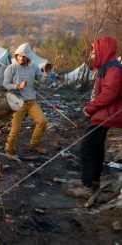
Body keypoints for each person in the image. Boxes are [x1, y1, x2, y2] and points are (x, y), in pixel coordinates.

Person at [66, 37, 122, 199]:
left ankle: (87, 186)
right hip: (104, 114)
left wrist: (91, 108)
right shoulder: (107, 67)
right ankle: (94, 181)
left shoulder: (113, 69)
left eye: (94, 50)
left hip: (105, 115)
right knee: (97, 148)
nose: (92, 54)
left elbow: (109, 94)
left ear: (103, 50)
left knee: (86, 148)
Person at [3, 43, 48, 158]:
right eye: (19, 56)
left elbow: (42, 81)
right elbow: (5, 84)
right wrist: (17, 86)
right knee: (16, 129)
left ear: (28, 57)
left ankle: (34, 144)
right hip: (18, 102)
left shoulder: (34, 67)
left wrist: (46, 74)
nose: (22, 58)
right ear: (16, 55)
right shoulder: (11, 68)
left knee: (42, 121)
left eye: (24, 56)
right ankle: (9, 150)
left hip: (31, 101)